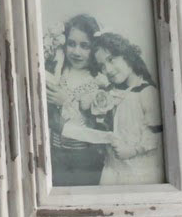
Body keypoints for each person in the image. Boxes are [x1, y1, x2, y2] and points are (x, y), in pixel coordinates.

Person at [60, 32, 165, 186]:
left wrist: (133, 150)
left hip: (137, 172)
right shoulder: (111, 93)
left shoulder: (146, 92)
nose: (107, 69)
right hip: (111, 170)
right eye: (102, 66)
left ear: (127, 56)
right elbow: (105, 126)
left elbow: (157, 135)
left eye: (111, 60)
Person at [44, 14, 107, 186]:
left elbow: (95, 128)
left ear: (94, 48)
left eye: (84, 46)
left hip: (84, 159)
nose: (76, 52)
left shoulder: (99, 81)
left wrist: (66, 101)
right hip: (54, 154)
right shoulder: (58, 71)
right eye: (71, 44)